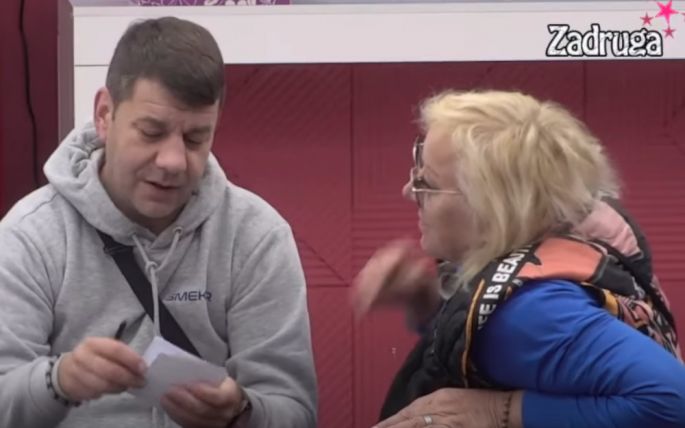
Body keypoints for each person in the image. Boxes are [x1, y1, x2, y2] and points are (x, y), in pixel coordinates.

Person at [0, 17, 317, 428]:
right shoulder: (29, 236)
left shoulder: (256, 237)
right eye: (151, 132)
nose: (173, 161)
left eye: (195, 139)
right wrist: (57, 381)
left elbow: (295, 411)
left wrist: (240, 412)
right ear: (104, 115)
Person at [352, 90, 685, 428]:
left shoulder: (529, 313)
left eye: (428, 183)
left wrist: (496, 411)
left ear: (490, 209)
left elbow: (672, 401)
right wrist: (428, 302)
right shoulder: (574, 242)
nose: (408, 191)